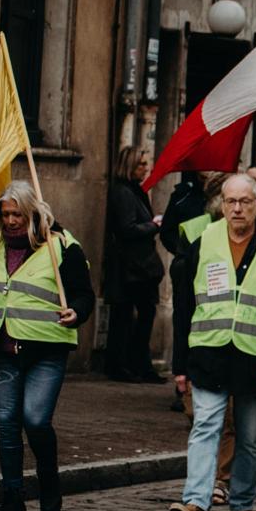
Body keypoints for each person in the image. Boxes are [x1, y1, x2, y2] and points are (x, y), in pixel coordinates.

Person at [166, 173, 256, 511]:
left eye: (245, 201)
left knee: (252, 437)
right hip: (209, 352)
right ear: (222, 205)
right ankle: (197, 502)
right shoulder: (203, 242)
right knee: (205, 427)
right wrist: (180, 365)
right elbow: (184, 306)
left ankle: (243, 504)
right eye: (231, 201)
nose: (237, 208)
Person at [0, 182, 95, 511]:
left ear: (32, 213)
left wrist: (76, 312)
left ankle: (48, 478)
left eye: (18, 215)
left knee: (35, 419)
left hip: (46, 349)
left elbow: (84, 294)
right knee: (6, 421)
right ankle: (13, 498)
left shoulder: (62, 246)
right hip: (4, 349)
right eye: (5, 214)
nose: (11, 221)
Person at [104, 146, 165, 383]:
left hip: (138, 266)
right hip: (131, 267)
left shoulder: (134, 191)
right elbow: (127, 229)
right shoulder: (123, 192)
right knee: (129, 314)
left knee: (138, 313)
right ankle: (126, 364)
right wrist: (154, 225)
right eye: (141, 164)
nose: (146, 168)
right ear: (130, 165)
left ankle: (135, 364)